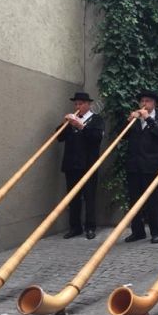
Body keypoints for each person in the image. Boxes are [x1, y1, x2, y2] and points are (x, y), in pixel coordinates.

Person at [124, 90, 158, 244]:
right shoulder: (135, 120)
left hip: (152, 166)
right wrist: (129, 120)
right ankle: (137, 232)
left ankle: (156, 232)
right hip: (134, 165)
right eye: (142, 100)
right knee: (134, 201)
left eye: (148, 101)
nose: (144, 103)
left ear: (154, 103)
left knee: (153, 200)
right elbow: (123, 136)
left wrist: (148, 118)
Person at [58, 91, 104, 240]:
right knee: (73, 198)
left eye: (81, 103)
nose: (77, 106)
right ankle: (75, 227)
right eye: (76, 104)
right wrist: (65, 124)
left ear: (88, 104)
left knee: (89, 197)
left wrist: (81, 126)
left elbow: (96, 138)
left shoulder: (96, 119)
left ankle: (90, 227)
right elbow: (59, 137)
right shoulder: (71, 121)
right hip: (72, 164)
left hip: (88, 165)